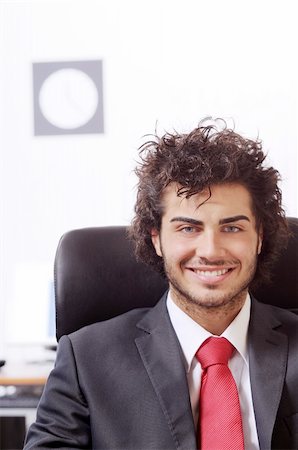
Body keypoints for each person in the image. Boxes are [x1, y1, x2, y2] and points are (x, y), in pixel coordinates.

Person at [24, 119, 298, 450]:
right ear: (157, 239)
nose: (210, 251)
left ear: (259, 238)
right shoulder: (86, 360)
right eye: (187, 228)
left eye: (232, 228)